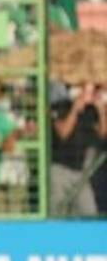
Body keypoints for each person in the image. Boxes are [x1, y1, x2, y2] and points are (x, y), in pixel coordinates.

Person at [49, 82, 105, 216]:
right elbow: (63, 133)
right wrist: (74, 109)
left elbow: (103, 133)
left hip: (81, 173)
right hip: (60, 170)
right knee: (57, 212)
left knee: (89, 212)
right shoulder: (61, 106)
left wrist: (101, 110)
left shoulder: (91, 111)